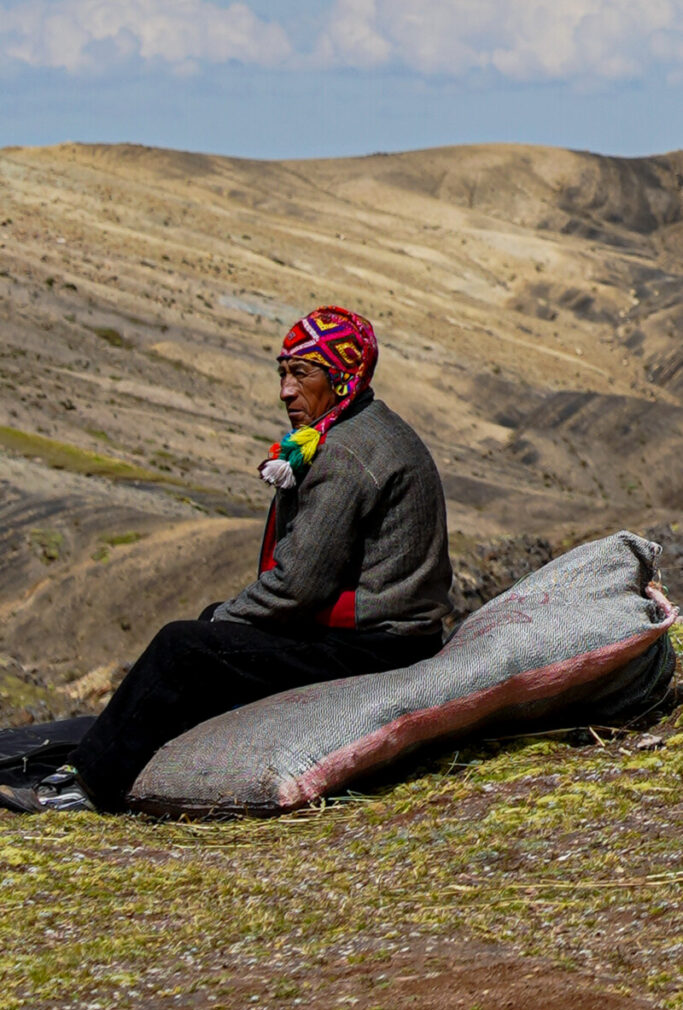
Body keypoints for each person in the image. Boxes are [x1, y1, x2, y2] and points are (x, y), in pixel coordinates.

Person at [0, 306, 453, 814]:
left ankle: (85, 787)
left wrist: (223, 618)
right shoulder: (361, 429)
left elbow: (295, 589)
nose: (285, 390)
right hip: (386, 630)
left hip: (376, 644)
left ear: (343, 378)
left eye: (302, 373)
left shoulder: (346, 455)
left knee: (183, 646)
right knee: (211, 632)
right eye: (282, 372)